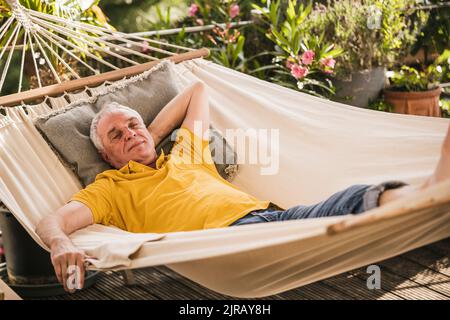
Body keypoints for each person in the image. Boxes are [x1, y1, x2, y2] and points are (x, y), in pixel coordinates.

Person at [36, 81, 450, 292]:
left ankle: (428, 198)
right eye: (116, 137)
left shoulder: (184, 152)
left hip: (268, 217)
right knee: (347, 201)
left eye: (133, 125)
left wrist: (148, 135)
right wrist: (59, 243)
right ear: (106, 157)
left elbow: (197, 90)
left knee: (331, 210)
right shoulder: (111, 187)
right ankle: (430, 192)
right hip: (228, 241)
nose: (129, 134)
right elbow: (54, 220)